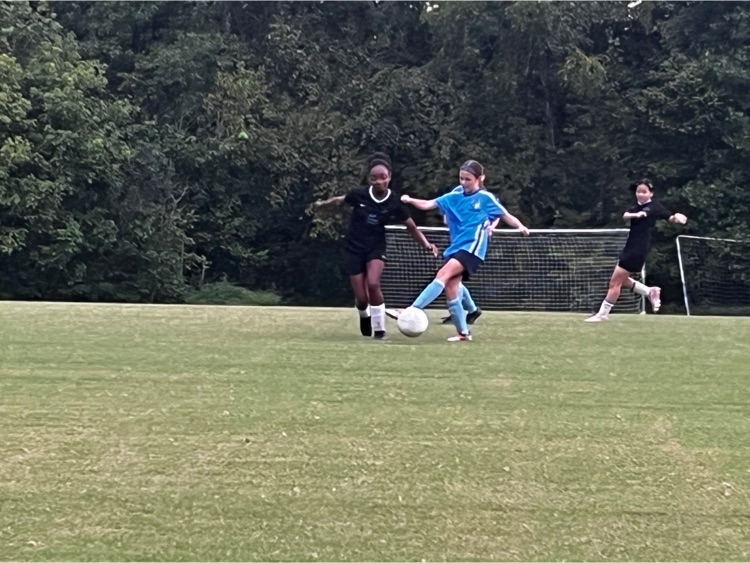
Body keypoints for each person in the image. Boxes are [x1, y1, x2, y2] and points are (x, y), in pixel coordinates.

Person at [388, 160, 530, 341]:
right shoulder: (454, 196)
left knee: (442, 274)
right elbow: (427, 204)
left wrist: (520, 226)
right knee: (451, 289)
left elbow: (505, 215)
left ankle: (411, 310)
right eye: (461, 178)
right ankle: (463, 333)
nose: (463, 182)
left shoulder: (485, 198)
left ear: (480, 178)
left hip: (472, 248)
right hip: (456, 247)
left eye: (468, 179)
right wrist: (410, 200)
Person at [314, 153, 438, 339]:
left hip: (376, 248)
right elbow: (339, 200)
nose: (379, 182)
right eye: (374, 178)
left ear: (390, 177)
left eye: (383, 177)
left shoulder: (394, 201)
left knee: (373, 283)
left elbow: (411, 227)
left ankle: (380, 330)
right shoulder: (359, 194)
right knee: (362, 298)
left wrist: (427, 244)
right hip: (353, 247)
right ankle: (364, 315)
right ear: (368, 179)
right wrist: (322, 204)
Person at [585, 178, 688, 322]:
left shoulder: (655, 207)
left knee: (615, 283)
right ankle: (650, 291)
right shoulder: (635, 206)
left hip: (638, 249)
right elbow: (625, 215)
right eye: (638, 191)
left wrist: (678, 218)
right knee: (622, 280)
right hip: (630, 246)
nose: (640, 194)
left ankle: (603, 314)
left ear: (651, 193)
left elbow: (670, 217)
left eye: (644, 192)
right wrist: (637, 214)